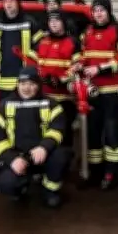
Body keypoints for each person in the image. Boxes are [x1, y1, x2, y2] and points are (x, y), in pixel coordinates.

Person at [0, 67, 71, 208]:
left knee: (61, 156)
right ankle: (19, 188)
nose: (27, 88)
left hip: (42, 154)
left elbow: (58, 129)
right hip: (18, 156)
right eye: (23, 83)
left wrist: (44, 147)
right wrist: (12, 159)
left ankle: (49, 190)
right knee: (6, 183)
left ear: (39, 86)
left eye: (32, 84)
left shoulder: (51, 105)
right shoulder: (3, 106)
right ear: (17, 84)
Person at [78, 0, 118, 190]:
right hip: (93, 92)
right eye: (95, 10)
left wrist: (99, 69)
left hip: (113, 92)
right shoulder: (88, 31)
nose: (98, 13)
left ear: (109, 11)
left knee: (112, 132)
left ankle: (113, 172)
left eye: (102, 10)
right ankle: (95, 170)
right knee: (93, 132)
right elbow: (84, 56)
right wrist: (79, 65)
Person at [34, 10, 81, 147]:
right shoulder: (41, 42)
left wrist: (61, 79)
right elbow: (33, 64)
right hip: (44, 97)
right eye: (51, 21)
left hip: (65, 99)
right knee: (44, 134)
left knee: (64, 134)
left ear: (64, 23)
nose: (53, 23)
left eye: (57, 20)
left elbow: (78, 66)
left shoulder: (72, 42)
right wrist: (40, 79)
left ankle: (65, 165)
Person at [0, 0, 45, 98]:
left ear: (18, 3)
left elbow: (40, 47)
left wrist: (30, 61)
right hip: (4, 79)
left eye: (11, 1)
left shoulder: (29, 22)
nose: (8, 4)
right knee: (6, 110)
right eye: (5, 1)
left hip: (27, 79)